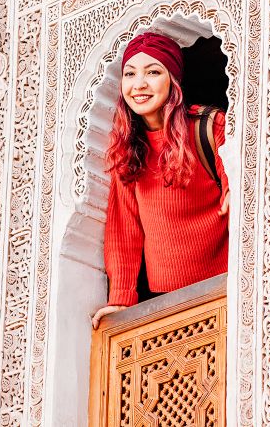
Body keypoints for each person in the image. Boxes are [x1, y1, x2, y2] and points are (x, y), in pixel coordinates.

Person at [91, 32, 230, 330]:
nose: (139, 84)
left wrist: (235, 190)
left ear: (173, 80)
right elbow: (124, 231)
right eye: (130, 74)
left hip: (226, 285)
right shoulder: (127, 150)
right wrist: (121, 298)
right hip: (167, 302)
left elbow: (237, 172)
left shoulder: (208, 127)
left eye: (153, 72)